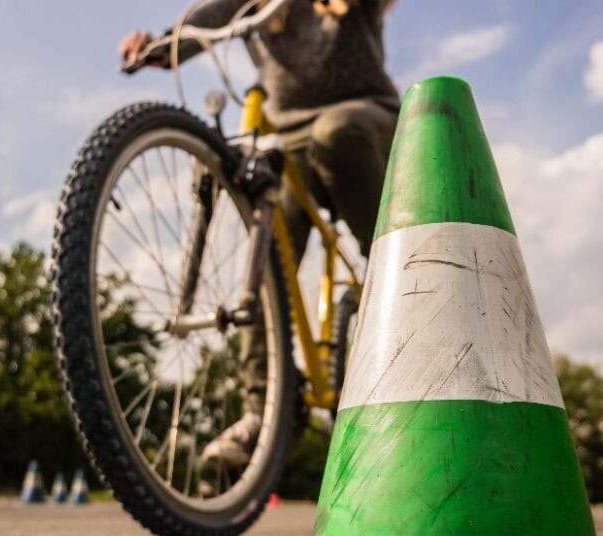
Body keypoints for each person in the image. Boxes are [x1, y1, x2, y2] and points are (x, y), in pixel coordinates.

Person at [120, 0, 399, 471]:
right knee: (264, 244)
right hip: (287, 137)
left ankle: (404, 285)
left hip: (365, 116)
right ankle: (264, 410)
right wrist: (160, 47)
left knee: (337, 133)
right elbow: (209, 17)